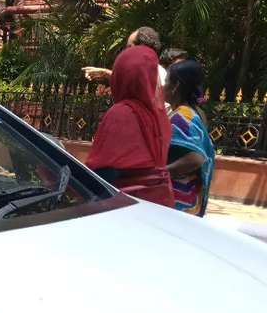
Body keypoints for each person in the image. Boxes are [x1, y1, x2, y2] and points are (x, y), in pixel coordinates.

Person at [86, 44, 174, 207]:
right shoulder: (161, 115)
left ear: (121, 76)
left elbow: (103, 172)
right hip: (160, 204)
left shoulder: (122, 113)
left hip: (124, 207)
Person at [165, 60, 216, 216]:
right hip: (189, 199)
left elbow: (195, 158)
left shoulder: (182, 116)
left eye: (166, 81)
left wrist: (161, 173)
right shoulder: (195, 113)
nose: (163, 86)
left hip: (179, 200)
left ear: (176, 86)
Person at [83, 27, 165, 89]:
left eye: (129, 47)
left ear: (141, 48)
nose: (126, 52)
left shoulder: (157, 72)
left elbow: (138, 84)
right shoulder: (143, 72)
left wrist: (106, 73)